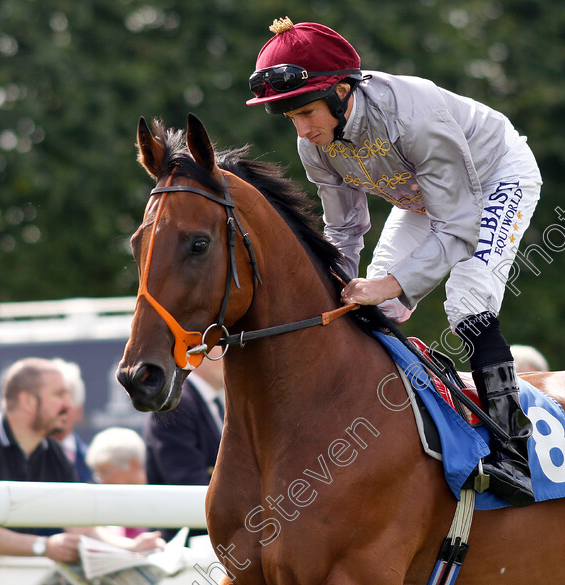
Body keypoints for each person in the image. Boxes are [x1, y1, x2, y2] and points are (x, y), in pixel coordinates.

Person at [246, 17, 543, 504]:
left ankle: (514, 451)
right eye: (289, 118)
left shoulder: (415, 117)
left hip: (493, 179)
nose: (301, 130)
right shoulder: (315, 145)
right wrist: (337, 284)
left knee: (467, 302)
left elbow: (460, 225)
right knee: (373, 311)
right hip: (428, 199)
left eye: (306, 112)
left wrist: (392, 282)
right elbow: (343, 230)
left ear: (342, 91)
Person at [0, 357, 163, 562]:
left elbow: (78, 523)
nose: (68, 404)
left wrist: (132, 547)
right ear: (27, 401)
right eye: (59, 394)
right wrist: (42, 547)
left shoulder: (52, 451)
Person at [143, 348, 224, 541]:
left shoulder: (209, 403)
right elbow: (187, 481)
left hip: (206, 541)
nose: (232, 355)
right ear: (197, 351)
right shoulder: (174, 404)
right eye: (223, 345)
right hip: (187, 545)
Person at [85, 427, 149, 538]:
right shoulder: (102, 507)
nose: (102, 482)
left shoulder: (162, 498)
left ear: (132, 465)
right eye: (98, 475)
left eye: (106, 473)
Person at [51, 359, 94, 483]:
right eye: (54, 400)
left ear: (79, 411)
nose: (58, 410)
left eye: (66, 406)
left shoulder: (92, 463)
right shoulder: (24, 457)